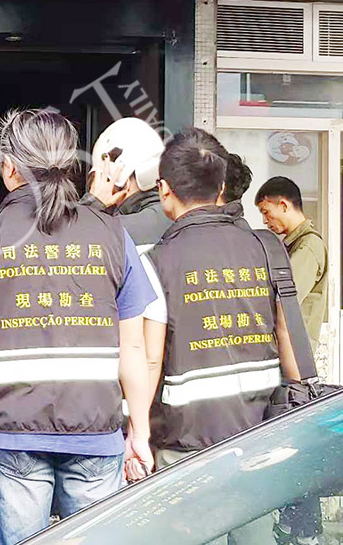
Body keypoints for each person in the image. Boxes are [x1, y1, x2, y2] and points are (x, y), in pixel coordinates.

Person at [0, 108, 155, 545]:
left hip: (13, 430)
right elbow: (134, 348)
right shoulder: (114, 235)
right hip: (96, 429)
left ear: (8, 167)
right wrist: (140, 427)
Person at [139, 129, 301, 545]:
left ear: (164, 190)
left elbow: (150, 360)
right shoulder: (267, 248)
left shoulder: (157, 260)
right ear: (222, 186)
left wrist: (136, 433)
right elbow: (289, 334)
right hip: (258, 438)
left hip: (185, 448)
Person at [255, 176, 328, 352]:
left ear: (284, 205)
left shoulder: (308, 246)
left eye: (266, 212)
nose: (265, 220)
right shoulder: (292, 245)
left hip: (295, 353)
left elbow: (285, 301)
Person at [83, 117, 171, 253]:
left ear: (124, 183)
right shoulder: (178, 217)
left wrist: (92, 204)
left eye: (104, 179)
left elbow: (67, 242)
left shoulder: (114, 230)